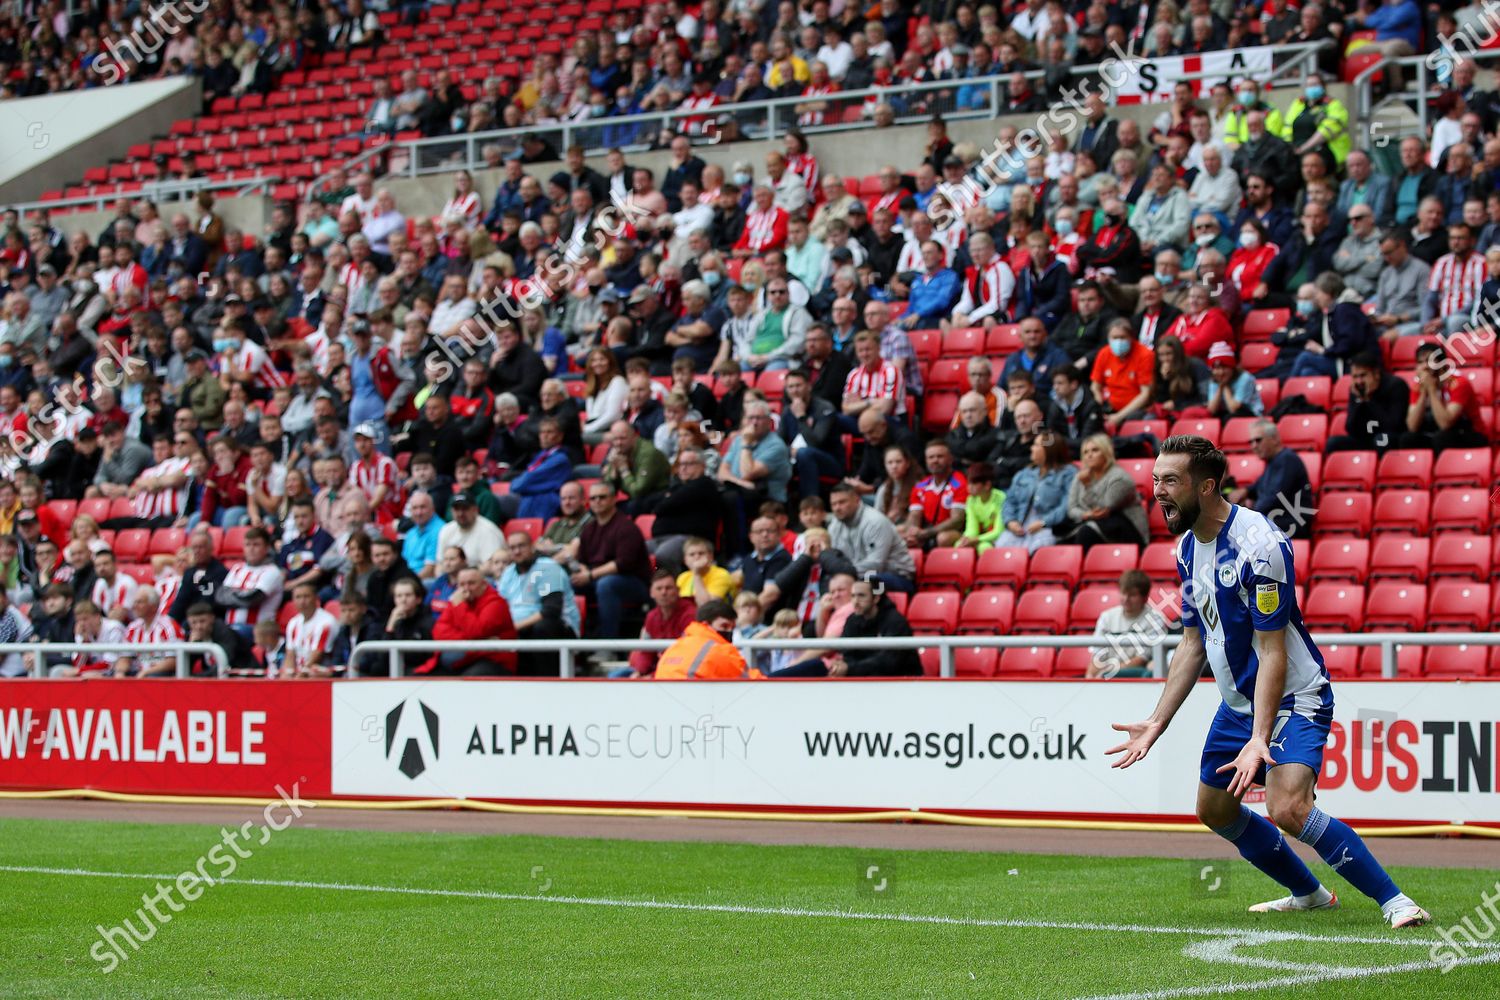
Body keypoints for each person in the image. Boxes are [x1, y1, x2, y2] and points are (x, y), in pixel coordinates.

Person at [1108, 435, 1430, 929]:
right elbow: (1193, 644)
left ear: (1208, 486)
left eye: (1170, 480)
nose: (1157, 491)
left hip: (1295, 696)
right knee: (1214, 809)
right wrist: (1157, 721)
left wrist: (1260, 738)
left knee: (1288, 806)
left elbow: (1271, 649)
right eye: (1155, 479)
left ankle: (1396, 901)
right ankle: (1310, 893)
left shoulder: (1260, 546)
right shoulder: (1188, 548)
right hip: (1239, 703)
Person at [564, 484, 650, 644]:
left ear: (613, 499)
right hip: (597, 579)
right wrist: (582, 572)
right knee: (568, 584)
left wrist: (589, 575)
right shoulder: (589, 529)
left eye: (602, 497)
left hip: (634, 582)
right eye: (593, 498)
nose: (597, 501)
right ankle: (574, 643)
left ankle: (607, 645)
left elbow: (623, 563)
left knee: (607, 585)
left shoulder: (626, 527)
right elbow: (582, 560)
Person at [497, 530, 580, 675]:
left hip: (557, 628)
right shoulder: (508, 573)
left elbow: (551, 610)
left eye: (521, 546)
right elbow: (500, 606)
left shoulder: (547, 568)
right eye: (512, 548)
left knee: (542, 628)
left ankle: (549, 681)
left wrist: (514, 627)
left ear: (532, 546)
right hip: (520, 628)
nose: (517, 551)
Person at [415, 566, 518, 676]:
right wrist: (475, 640)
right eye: (462, 584)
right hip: (465, 659)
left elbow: (476, 631)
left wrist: (460, 606)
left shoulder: (496, 604)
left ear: (484, 585)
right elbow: (439, 632)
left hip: (494, 661)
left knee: (468, 680)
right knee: (420, 677)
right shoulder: (457, 601)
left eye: (471, 583)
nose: (466, 588)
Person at [1228, 419, 1315, 538]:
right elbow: (1260, 485)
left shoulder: (1287, 460)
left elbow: (1274, 496)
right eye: (1251, 442)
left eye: (1258, 440)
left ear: (1274, 438)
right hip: (1278, 522)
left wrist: (1248, 513)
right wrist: (1246, 491)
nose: (1254, 446)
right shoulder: (1274, 461)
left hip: (1292, 524)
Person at [1060, 434, 1149, 549]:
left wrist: (1088, 485)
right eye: (1085, 452)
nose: (1089, 455)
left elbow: (1102, 509)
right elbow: (1072, 509)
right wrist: (1085, 514)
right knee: (1060, 543)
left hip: (1127, 531)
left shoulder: (1120, 478)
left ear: (1106, 452)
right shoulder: (1080, 477)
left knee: (1086, 533)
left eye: (1095, 450)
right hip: (1093, 525)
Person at [827, 483, 916, 594]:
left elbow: (876, 564)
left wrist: (846, 572)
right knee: (829, 580)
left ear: (857, 500)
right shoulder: (835, 526)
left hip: (898, 578)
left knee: (867, 582)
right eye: (833, 504)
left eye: (842, 502)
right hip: (859, 575)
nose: (837, 508)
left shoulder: (875, 522)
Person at [1401, 342, 1491, 452]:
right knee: (1408, 439)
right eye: (1420, 362)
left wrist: (1432, 390)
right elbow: (1412, 426)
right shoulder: (1418, 387)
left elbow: (1445, 423)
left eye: (1429, 361)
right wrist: (1424, 392)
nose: (1425, 366)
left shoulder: (1458, 383)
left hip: (1470, 433)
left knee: (1442, 438)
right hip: (1440, 434)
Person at [994, 430, 1076, 552]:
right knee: (1001, 550)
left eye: (1036, 445)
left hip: (1050, 529)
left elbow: (1067, 504)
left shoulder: (1068, 474)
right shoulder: (1024, 474)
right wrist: (1010, 521)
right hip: (1020, 527)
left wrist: (1044, 522)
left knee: (1038, 550)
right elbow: (1009, 501)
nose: (1031, 448)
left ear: (1049, 449)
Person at [826, 577, 921, 676]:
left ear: (876, 598)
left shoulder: (896, 622)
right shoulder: (852, 620)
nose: (855, 601)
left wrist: (850, 668)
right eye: (853, 596)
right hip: (863, 680)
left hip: (903, 683)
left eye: (861, 596)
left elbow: (888, 662)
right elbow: (847, 654)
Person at [653, 599, 764, 679]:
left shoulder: (676, 646)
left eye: (732, 628)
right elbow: (752, 681)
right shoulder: (719, 650)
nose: (729, 631)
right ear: (706, 624)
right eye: (724, 626)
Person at [1089, 570, 1168, 679]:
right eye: (1123, 593)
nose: (1126, 599)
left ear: (1144, 598)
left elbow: (1142, 659)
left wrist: (1109, 672)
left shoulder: (1155, 619)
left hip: (1137, 677)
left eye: (1132, 595)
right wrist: (1089, 678)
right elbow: (1097, 656)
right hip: (1107, 674)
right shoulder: (1107, 617)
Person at [1325, 352, 1410, 454]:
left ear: (1376, 374)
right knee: (1333, 443)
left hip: (1390, 437)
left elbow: (1394, 425)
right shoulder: (1356, 390)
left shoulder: (1396, 386)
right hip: (1367, 437)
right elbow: (1350, 428)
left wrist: (1369, 400)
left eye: (1363, 375)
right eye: (1355, 377)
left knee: (1381, 440)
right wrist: (1359, 401)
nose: (1359, 381)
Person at [625, 569, 698, 677]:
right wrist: (639, 673)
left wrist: (652, 676)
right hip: (658, 667)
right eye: (659, 589)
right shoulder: (651, 616)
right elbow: (646, 651)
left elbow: (686, 655)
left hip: (683, 670)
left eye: (668, 588)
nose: (664, 592)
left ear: (678, 591)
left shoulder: (691, 614)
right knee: (616, 675)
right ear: (651, 593)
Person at [902, 440, 966, 549]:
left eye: (940, 456)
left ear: (950, 459)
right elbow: (914, 515)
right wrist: (912, 533)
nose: (935, 460)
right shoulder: (921, 486)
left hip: (955, 532)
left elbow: (957, 520)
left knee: (943, 538)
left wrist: (927, 533)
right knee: (899, 533)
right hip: (926, 531)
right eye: (931, 457)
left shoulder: (959, 484)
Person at [1204, 342, 1264, 419]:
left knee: (1230, 417)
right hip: (1228, 414)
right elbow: (1211, 410)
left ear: (1232, 367)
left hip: (1251, 415)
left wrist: (1225, 386)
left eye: (1225, 367)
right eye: (1217, 368)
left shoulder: (1245, 378)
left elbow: (1234, 409)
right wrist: (1220, 388)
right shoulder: (1214, 380)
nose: (1221, 372)